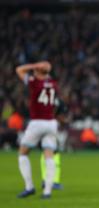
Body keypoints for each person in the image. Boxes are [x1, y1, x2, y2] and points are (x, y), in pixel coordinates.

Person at [15, 61, 59, 199]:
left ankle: (29, 187)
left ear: (38, 72)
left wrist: (34, 66)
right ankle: (47, 192)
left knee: (23, 153)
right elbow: (47, 73)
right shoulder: (53, 83)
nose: (33, 72)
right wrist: (43, 68)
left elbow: (19, 70)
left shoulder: (34, 83)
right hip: (51, 123)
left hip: (37, 122)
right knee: (49, 155)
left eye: (36, 71)